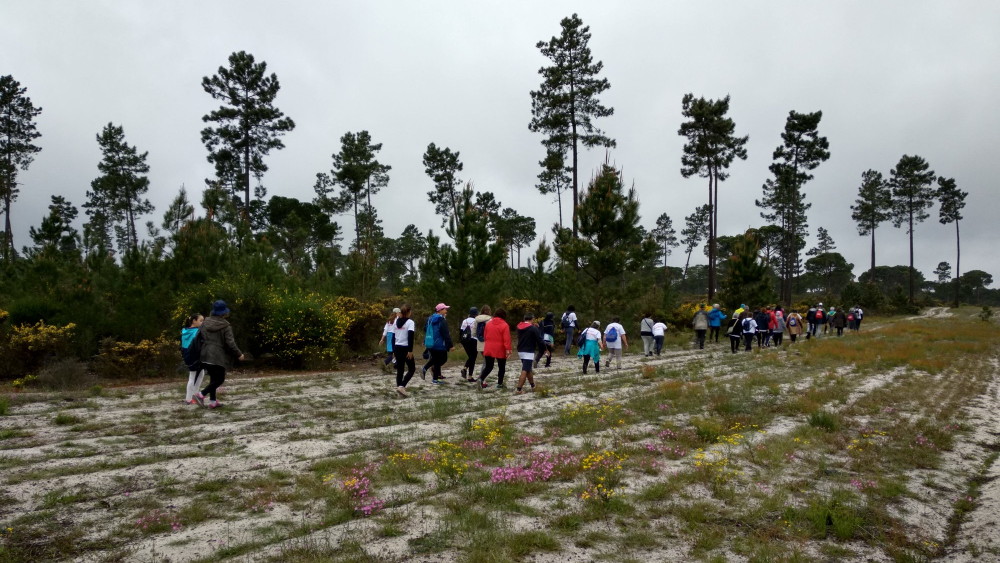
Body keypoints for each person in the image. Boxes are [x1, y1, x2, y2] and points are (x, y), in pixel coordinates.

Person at [195, 300, 244, 408]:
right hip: (217, 356)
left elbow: (199, 336)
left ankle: (213, 402)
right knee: (220, 379)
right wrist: (239, 354)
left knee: (213, 378)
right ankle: (201, 394)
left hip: (205, 353)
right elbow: (230, 343)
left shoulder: (205, 323)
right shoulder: (226, 326)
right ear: (224, 312)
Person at [479, 308, 512, 389]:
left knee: (489, 366)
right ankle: (499, 384)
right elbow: (507, 339)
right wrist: (508, 349)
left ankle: (481, 379)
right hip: (500, 348)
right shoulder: (505, 325)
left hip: (489, 347)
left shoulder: (488, 324)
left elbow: (485, 336)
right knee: (501, 367)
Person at [422, 303, 454, 384]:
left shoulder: (430, 318)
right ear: (440, 310)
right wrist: (450, 345)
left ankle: (434, 375)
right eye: (445, 309)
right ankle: (434, 378)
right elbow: (445, 333)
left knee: (436, 359)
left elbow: (425, 329)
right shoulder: (441, 320)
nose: (446, 311)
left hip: (430, 342)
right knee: (439, 360)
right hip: (439, 343)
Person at [515, 313, 544, 394]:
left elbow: (527, 329)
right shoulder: (533, 328)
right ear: (532, 319)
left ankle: (533, 386)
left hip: (520, 350)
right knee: (525, 370)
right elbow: (539, 339)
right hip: (528, 351)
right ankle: (519, 389)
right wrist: (544, 349)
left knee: (528, 369)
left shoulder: (519, 326)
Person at [392, 304, 416, 397]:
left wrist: (393, 350)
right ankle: (402, 386)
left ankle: (399, 389)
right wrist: (410, 351)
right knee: (412, 369)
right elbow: (410, 337)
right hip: (406, 348)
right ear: (409, 312)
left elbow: (393, 336)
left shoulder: (396, 321)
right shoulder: (410, 322)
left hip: (397, 347)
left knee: (400, 370)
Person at [180, 314, 205, 405]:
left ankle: (194, 396)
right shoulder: (197, 331)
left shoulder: (185, 331)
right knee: (193, 376)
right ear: (194, 321)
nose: (203, 322)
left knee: (201, 373)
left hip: (187, 355)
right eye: (201, 320)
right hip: (194, 355)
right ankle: (189, 399)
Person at [459, 307, 479, 381]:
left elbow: (461, 331)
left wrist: (461, 340)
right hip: (473, 340)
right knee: (473, 358)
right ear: (476, 314)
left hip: (465, 341)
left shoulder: (464, 321)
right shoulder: (476, 321)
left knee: (471, 357)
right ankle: (469, 376)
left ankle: (465, 369)